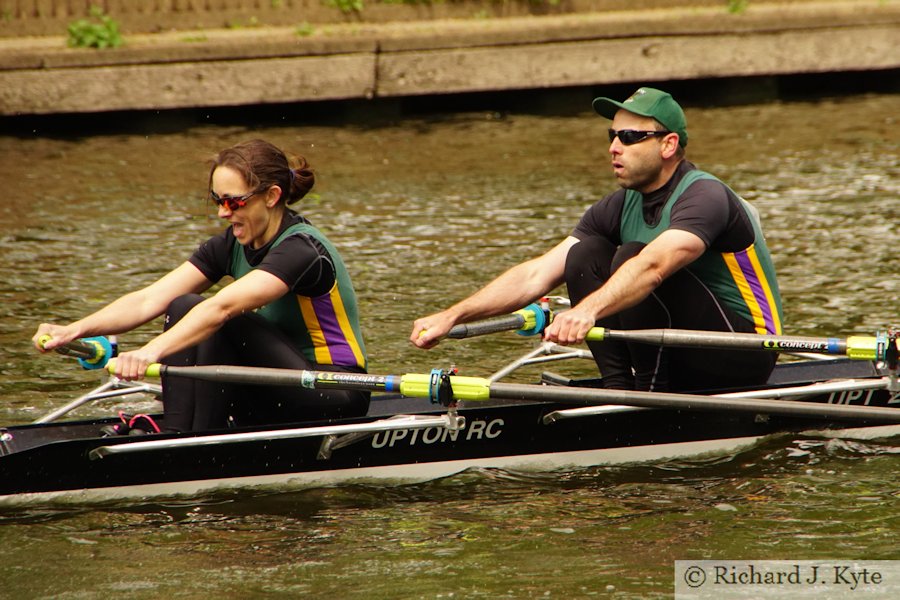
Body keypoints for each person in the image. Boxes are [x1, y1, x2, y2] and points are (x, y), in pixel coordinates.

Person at [411, 87, 783, 393]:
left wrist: (586, 311)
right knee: (585, 254)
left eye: (630, 137)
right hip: (682, 349)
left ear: (668, 145)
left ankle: (648, 397)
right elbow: (536, 275)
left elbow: (653, 267)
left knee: (632, 257)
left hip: (743, 351)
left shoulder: (706, 197)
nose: (614, 147)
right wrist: (452, 315)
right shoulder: (619, 206)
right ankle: (617, 387)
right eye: (612, 135)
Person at [34, 139, 369, 432]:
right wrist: (74, 330)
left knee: (215, 314)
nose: (223, 213)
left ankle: (186, 443)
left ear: (271, 196)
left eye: (234, 202)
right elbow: (148, 300)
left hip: (332, 391)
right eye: (217, 200)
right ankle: (182, 435)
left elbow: (220, 308)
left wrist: (150, 351)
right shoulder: (232, 243)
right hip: (273, 389)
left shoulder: (302, 250)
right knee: (181, 304)